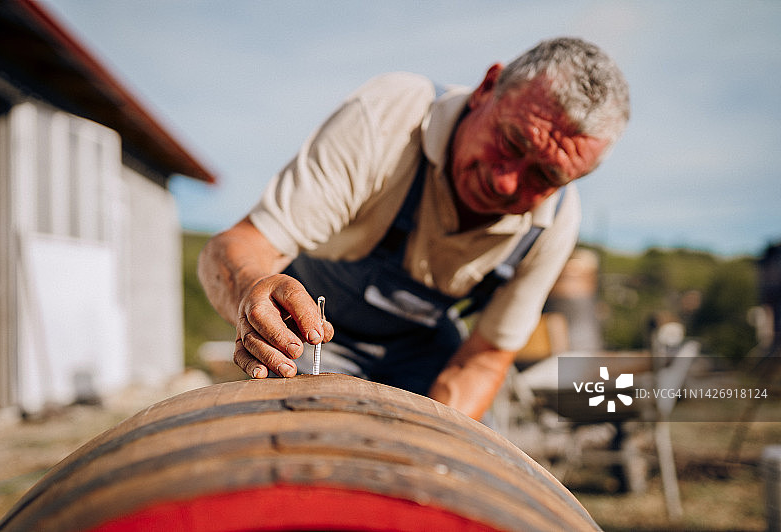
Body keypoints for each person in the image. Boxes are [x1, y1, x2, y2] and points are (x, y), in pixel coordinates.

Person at [198, 37, 629, 421]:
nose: (507, 181)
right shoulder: (392, 115)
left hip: (424, 355)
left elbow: (484, 357)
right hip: (311, 332)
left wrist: (433, 450)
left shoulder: (554, 220)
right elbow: (240, 245)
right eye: (512, 142)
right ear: (486, 88)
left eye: (545, 177)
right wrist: (252, 291)